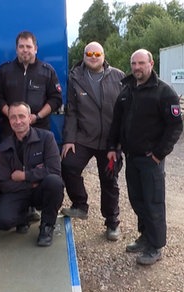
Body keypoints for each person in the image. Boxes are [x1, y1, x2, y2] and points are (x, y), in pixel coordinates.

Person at [106, 49, 183, 265]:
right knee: (137, 200)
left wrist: (159, 154)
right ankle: (145, 236)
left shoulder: (164, 92)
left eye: (141, 63)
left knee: (153, 202)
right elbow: (117, 122)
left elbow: (175, 127)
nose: (137, 67)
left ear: (151, 63)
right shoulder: (127, 89)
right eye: (134, 63)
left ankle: (155, 246)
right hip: (131, 157)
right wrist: (113, 146)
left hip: (151, 160)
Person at [60, 41, 126, 242]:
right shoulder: (75, 77)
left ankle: (112, 222)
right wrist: (69, 139)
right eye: (89, 53)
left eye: (98, 53)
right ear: (84, 55)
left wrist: (118, 144)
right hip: (84, 136)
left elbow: (125, 112)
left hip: (110, 141)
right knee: (68, 165)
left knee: (109, 180)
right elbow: (71, 111)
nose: (94, 56)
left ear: (104, 56)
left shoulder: (119, 76)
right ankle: (80, 205)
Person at [0, 102, 64, 247]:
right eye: (13, 117)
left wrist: (24, 176)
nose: (18, 121)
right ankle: (25, 216)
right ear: (9, 120)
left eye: (21, 116)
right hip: (18, 192)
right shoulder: (2, 148)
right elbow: (4, 183)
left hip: (39, 191)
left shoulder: (47, 138)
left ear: (29, 118)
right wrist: (31, 183)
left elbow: (54, 170)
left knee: (54, 182)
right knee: (1, 221)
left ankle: (47, 226)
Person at [0, 30, 63, 137]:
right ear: (16, 49)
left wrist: (38, 116)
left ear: (35, 49)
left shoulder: (47, 71)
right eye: (21, 47)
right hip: (10, 131)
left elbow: (56, 99)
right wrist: (12, 115)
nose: (25, 50)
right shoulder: (4, 71)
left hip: (39, 129)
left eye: (28, 46)